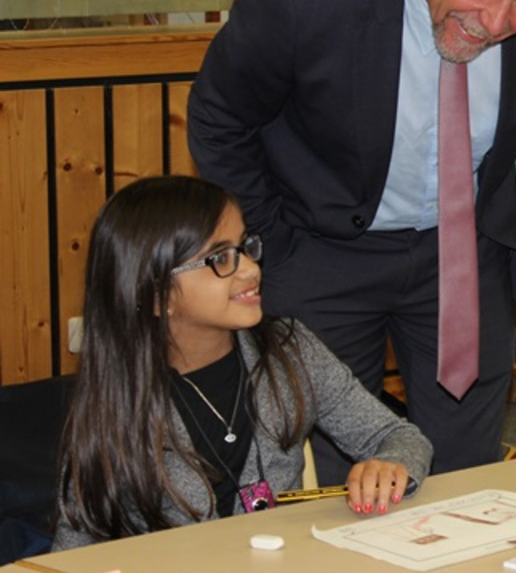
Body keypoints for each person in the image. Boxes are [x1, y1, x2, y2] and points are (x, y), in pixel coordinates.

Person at [187, 0, 516, 481]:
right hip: (320, 249)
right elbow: (219, 119)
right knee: (342, 472)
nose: (495, 23)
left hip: (463, 251)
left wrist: (504, 218)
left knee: (465, 471)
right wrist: (274, 246)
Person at [53, 176, 432, 550]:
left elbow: (398, 436)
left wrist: (390, 464)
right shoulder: (117, 399)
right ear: (156, 296)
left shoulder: (290, 351)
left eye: (245, 247)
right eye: (220, 258)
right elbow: (74, 544)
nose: (250, 269)